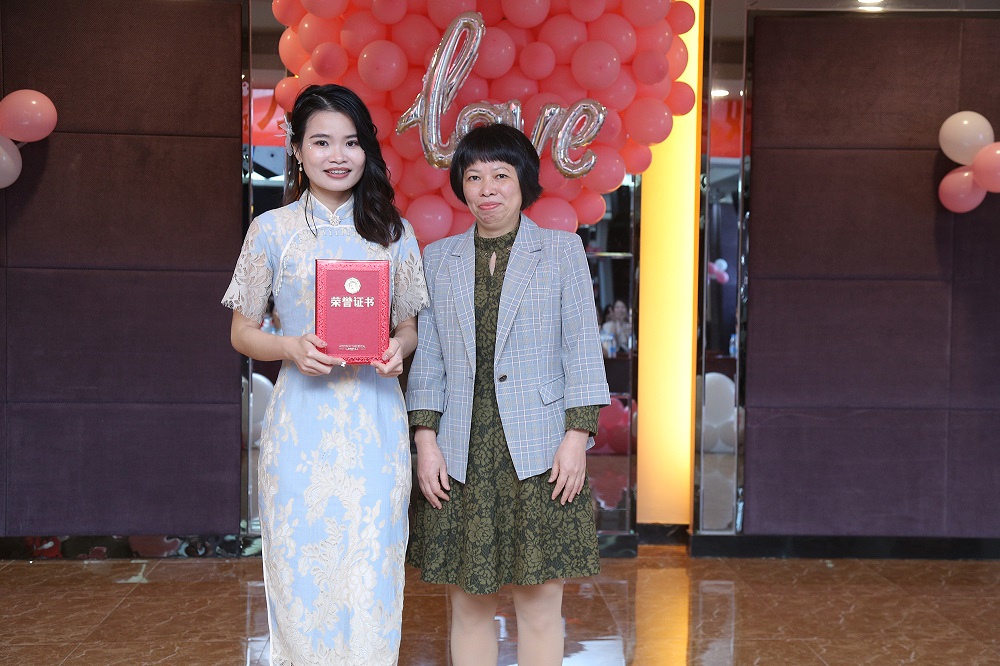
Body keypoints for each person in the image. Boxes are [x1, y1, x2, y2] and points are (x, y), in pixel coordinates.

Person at [221, 84, 429, 665]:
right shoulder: (271, 231)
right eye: (321, 142)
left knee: (372, 567)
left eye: (351, 142)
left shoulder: (394, 232)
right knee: (299, 568)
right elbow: (242, 332)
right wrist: (289, 347)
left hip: (374, 423)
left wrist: (397, 350)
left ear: (367, 151)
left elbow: (408, 328)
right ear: (296, 148)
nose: (338, 155)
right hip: (300, 426)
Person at [405, 123, 610, 666]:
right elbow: (429, 358)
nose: (487, 188)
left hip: (541, 452)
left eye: (500, 174)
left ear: (523, 181)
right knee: (468, 607)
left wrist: (577, 437)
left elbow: (582, 348)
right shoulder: (438, 258)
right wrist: (425, 441)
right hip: (461, 452)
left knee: (540, 606)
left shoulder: (561, 250)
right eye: (474, 177)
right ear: (460, 185)